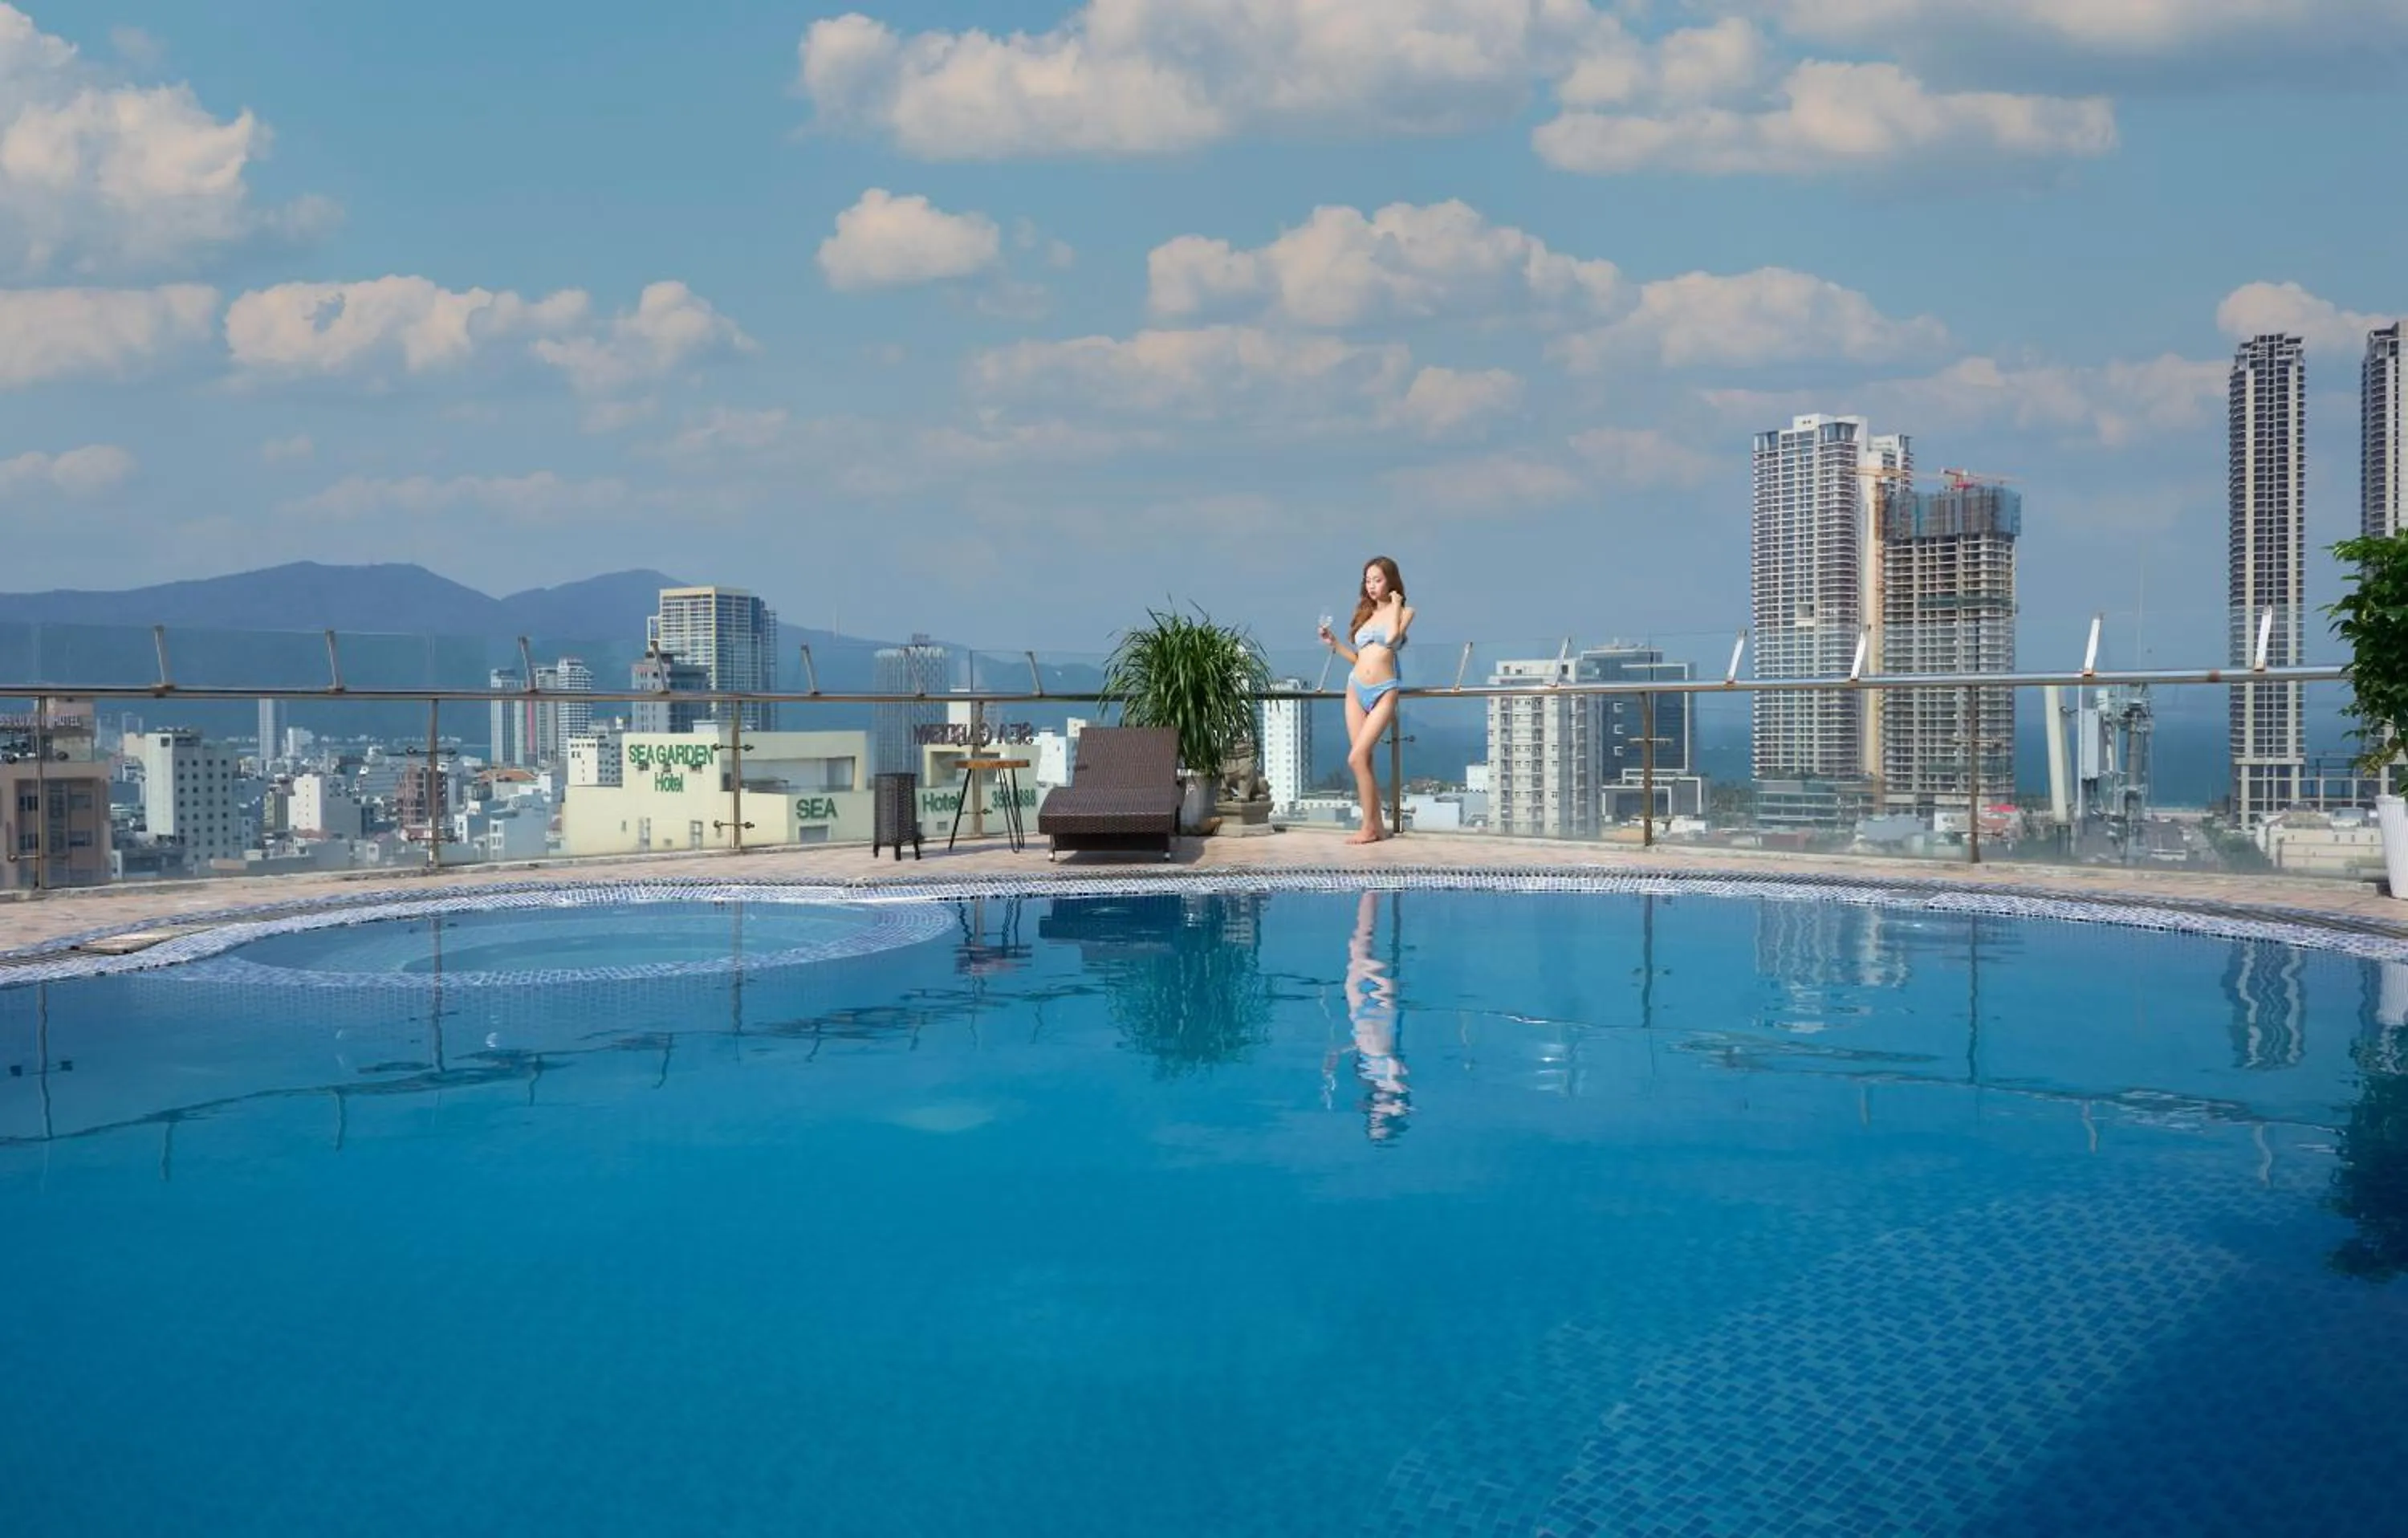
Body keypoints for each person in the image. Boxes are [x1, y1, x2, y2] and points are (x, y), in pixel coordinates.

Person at [1318, 556, 1414, 845]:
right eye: (1368, 580)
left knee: (1356, 757)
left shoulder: (1406, 611)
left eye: (1378, 580)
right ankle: (1379, 827)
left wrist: (1396, 604)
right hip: (1355, 688)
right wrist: (1335, 644)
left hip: (1385, 690)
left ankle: (1368, 827)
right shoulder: (1365, 614)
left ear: (1391, 581)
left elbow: (1394, 639)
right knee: (1365, 759)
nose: (1372, 586)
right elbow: (1359, 658)